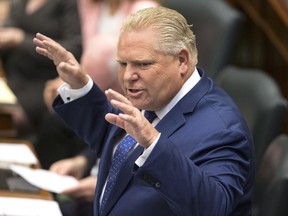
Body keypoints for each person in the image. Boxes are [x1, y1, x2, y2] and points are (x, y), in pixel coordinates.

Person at [33, 6, 255, 216]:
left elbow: (214, 208)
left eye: (143, 64)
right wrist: (80, 85)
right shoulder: (159, 96)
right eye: (122, 63)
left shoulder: (221, 129)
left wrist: (153, 142)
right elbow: (114, 139)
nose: (128, 76)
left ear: (182, 61)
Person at [36, 0, 161, 170]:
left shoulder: (144, 10)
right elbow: (86, 54)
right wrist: (69, 78)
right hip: (96, 91)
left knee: (56, 123)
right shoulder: (90, 6)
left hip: (124, 102)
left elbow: (109, 64)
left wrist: (78, 81)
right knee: (53, 113)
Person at [0, 0, 82, 137]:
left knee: (4, 121)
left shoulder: (68, 4)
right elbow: (9, 29)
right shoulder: (21, 2)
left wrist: (20, 39)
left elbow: (73, 50)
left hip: (42, 84)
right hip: (11, 81)